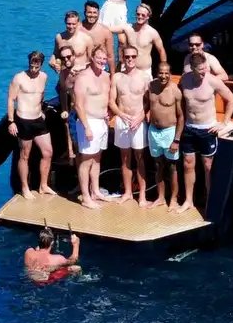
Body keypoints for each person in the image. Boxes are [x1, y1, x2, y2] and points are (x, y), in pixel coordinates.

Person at [177, 46, 231, 213]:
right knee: (187, 164)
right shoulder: (184, 80)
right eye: (200, 70)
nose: (203, 73)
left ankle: (210, 201)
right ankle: (188, 201)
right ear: (192, 69)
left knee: (208, 166)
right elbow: (180, 102)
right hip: (189, 128)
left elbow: (232, 99)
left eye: (205, 69)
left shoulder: (212, 80)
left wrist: (224, 122)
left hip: (207, 129)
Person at [5, 51, 54, 199]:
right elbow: (10, 100)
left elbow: (41, 94)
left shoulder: (44, 77)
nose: (33, 70)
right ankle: (25, 187)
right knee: (24, 155)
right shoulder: (19, 78)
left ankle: (43, 185)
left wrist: (42, 109)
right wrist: (11, 121)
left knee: (48, 152)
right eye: (31, 66)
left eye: (36, 67)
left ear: (41, 65)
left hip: (38, 119)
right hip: (24, 120)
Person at [71, 44, 114, 206]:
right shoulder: (83, 78)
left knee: (97, 159)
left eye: (104, 59)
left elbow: (106, 98)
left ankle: (95, 191)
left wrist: (109, 113)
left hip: (102, 121)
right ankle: (86, 196)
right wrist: (86, 126)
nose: (102, 61)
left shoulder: (105, 76)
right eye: (99, 58)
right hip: (88, 122)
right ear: (92, 58)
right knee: (86, 160)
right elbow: (78, 105)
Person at [110, 41, 153, 206]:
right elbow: (112, 101)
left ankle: (142, 195)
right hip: (123, 120)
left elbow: (149, 102)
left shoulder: (145, 77)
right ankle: (128, 192)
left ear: (137, 58)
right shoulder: (117, 77)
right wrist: (121, 115)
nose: (129, 59)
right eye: (127, 56)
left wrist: (140, 117)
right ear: (123, 57)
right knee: (125, 158)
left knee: (140, 158)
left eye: (133, 56)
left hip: (138, 121)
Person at [143, 62, 184, 205]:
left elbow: (181, 117)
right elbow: (146, 105)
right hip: (153, 131)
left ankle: (173, 199)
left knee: (172, 166)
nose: (163, 76)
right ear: (156, 73)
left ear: (170, 74)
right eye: (161, 73)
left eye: (166, 73)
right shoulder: (151, 86)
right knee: (158, 165)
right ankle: (160, 197)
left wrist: (176, 140)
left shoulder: (175, 91)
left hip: (169, 132)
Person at [123, 2, 169, 76]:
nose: (140, 17)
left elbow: (161, 50)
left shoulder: (152, 32)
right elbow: (110, 29)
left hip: (144, 71)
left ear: (148, 16)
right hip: (128, 69)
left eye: (143, 15)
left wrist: (164, 68)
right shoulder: (128, 28)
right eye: (138, 14)